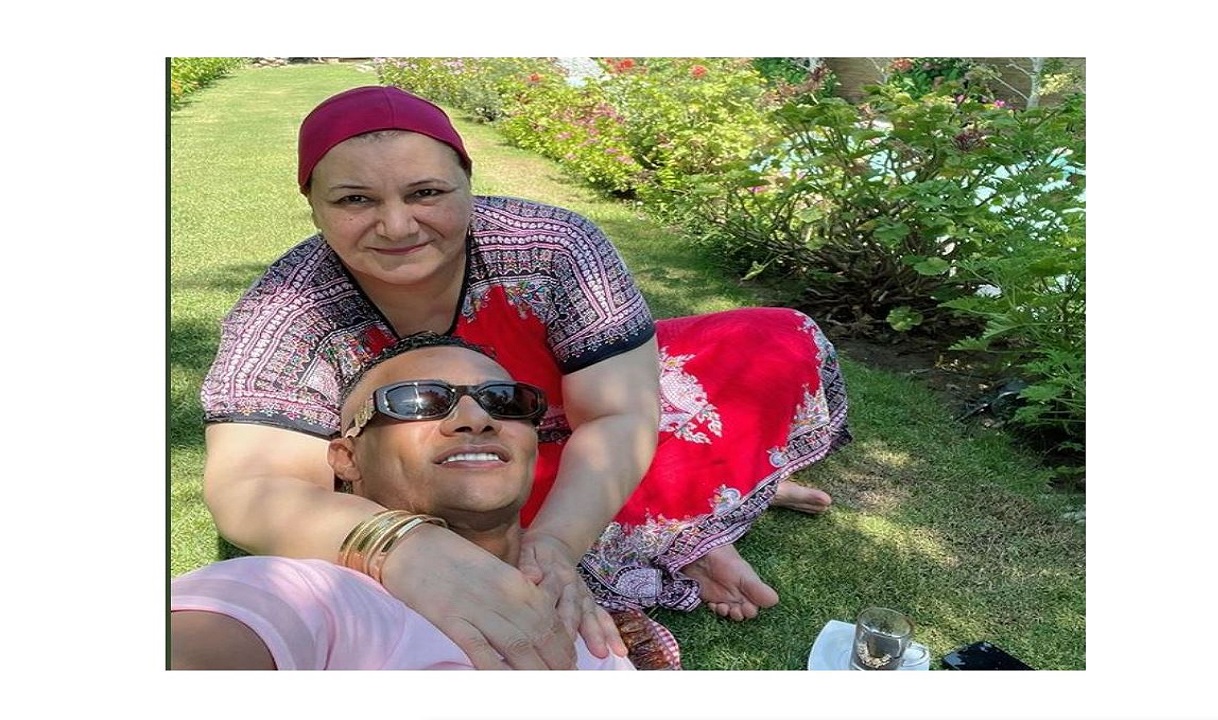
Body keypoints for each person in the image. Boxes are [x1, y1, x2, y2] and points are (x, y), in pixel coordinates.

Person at [197, 84, 852, 670]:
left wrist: (557, 548)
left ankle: (698, 517)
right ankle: (703, 510)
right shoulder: (289, 308)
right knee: (477, 499)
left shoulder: (555, 245)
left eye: (426, 193)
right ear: (313, 205)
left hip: (546, 419)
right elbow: (250, 486)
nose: (396, 226)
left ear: (467, 183)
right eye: (354, 200)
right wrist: (400, 546)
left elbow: (618, 414)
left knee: (772, 341)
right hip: (456, 461)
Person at [172, 334, 678, 669]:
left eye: (505, 401)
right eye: (417, 400)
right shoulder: (313, 599)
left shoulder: (590, 632)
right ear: (347, 458)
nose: (475, 419)